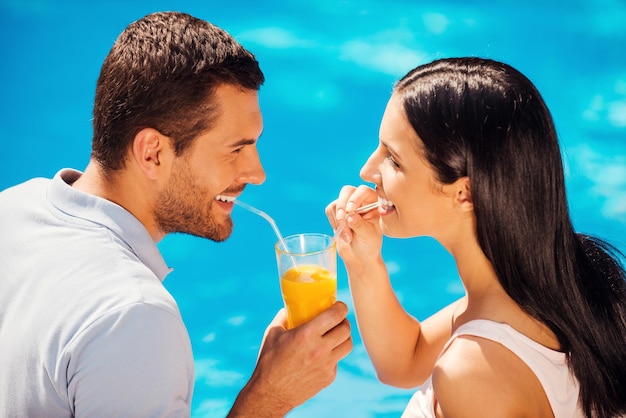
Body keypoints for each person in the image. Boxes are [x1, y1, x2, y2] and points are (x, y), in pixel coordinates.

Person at [0, 11, 352, 418]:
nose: (257, 174)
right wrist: (268, 398)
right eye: (236, 149)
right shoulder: (133, 318)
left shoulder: (13, 206)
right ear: (153, 153)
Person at [326, 57, 626, 417]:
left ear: (464, 193)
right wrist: (363, 262)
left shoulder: (472, 372)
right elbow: (405, 361)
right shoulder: (576, 278)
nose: (367, 170)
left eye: (394, 159)